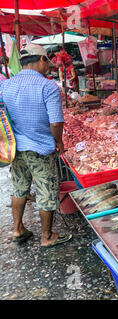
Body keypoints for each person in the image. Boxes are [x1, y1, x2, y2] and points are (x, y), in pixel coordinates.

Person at [0, 43, 72, 247]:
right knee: (46, 190)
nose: (48, 66)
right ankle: (47, 236)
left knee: (19, 188)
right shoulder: (48, 86)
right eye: (47, 62)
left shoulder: (6, 85)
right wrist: (59, 142)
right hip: (40, 148)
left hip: (15, 148)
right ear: (41, 60)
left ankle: (17, 229)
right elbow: (56, 122)